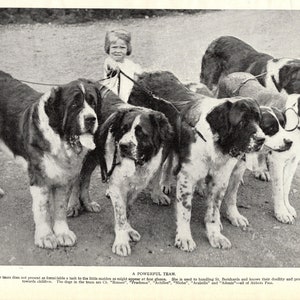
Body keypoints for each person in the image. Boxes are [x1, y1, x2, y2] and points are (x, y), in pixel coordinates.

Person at [103, 29, 143, 102]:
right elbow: (111, 65)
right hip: (113, 101)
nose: (118, 51)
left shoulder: (130, 64)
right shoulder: (109, 61)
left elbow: (141, 73)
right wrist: (114, 67)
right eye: (114, 47)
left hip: (129, 98)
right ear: (108, 48)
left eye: (122, 48)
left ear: (127, 49)